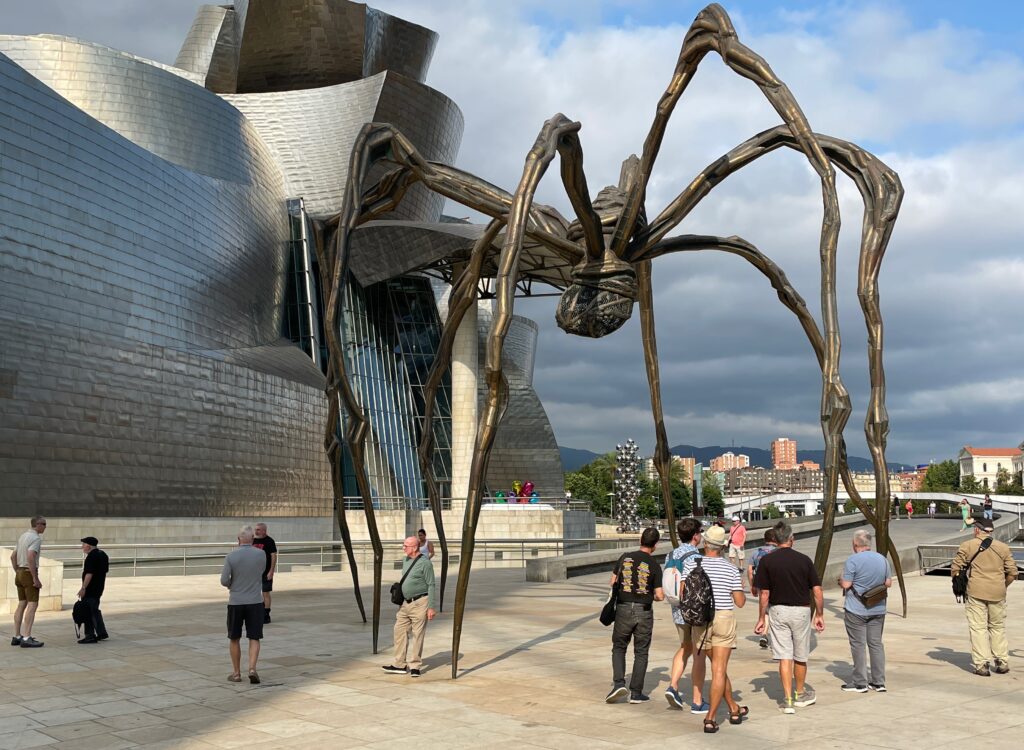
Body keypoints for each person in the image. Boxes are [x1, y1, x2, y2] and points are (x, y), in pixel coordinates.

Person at [680, 525, 748, 733]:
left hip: (701, 621)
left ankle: (734, 709)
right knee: (719, 669)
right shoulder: (730, 568)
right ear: (722, 546)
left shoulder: (691, 563)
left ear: (706, 543)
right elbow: (740, 602)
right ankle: (710, 718)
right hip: (723, 618)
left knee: (718, 668)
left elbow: (683, 592)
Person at [753, 520, 824, 714]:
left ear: (775, 540)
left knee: (784, 656)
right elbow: (817, 590)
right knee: (800, 655)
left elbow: (764, 594)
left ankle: (788, 699)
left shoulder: (767, 561)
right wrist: (819, 614)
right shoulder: (804, 560)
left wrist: (761, 617)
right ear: (791, 539)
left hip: (778, 611)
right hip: (801, 610)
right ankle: (800, 693)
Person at [951, 516, 1016, 676]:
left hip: (975, 591)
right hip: (998, 592)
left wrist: (962, 583)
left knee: (978, 627)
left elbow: (955, 569)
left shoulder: (967, 545)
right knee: (997, 627)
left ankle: (982, 665)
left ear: (976, 529)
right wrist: (1003, 585)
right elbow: (1013, 573)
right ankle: (1002, 661)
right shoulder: (1003, 547)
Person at [605, 527, 664, 704]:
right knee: (641, 651)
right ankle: (636, 693)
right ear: (655, 545)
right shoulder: (654, 565)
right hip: (644, 610)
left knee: (619, 647)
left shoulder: (625, 557)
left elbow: (613, 581)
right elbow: (659, 595)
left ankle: (618, 684)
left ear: (641, 540)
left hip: (623, 608)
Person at [663, 518, 708, 714]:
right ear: (696, 535)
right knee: (698, 650)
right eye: (700, 531)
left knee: (685, 647)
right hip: (694, 610)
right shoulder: (695, 556)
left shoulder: (671, 554)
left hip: (677, 609)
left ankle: (673, 685)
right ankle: (697, 699)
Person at [838, 529, 891, 692]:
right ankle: (878, 681)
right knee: (876, 644)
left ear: (855, 544)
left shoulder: (852, 560)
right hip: (878, 607)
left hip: (856, 608)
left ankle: (860, 682)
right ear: (869, 543)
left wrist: (841, 580)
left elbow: (846, 584)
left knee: (858, 644)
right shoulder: (882, 559)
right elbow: (888, 582)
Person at [382, 536, 437, 677]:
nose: (403, 547)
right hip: (405, 603)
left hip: (420, 603)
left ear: (414, 548)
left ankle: (415, 666)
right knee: (398, 630)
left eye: (406, 545)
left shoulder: (425, 563)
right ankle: (399, 664)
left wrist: (431, 607)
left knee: (418, 634)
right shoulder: (406, 560)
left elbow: (431, 585)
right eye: (404, 545)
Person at [220, 525, 266, 684]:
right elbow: (261, 572)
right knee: (254, 637)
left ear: (238, 539)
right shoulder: (261, 554)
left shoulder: (231, 556)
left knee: (234, 637)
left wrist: (233, 584)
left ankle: (236, 673)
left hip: (236, 602)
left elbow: (224, 580)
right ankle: (252, 669)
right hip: (255, 601)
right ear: (252, 539)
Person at [10, 516, 47, 648]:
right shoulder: (36, 538)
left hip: (19, 572)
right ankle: (27, 637)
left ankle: (17, 636)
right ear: (37, 525)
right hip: (28, 572)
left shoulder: (22, 536)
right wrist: (35, 578)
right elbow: (31, 556)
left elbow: (13, 556)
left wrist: (17, 571)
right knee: (32, 605)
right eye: (44, 524)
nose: (45, 527)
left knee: (21, 604)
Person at [747, 528, 778, 649]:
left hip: (762, 584)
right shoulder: (779, 552)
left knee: (764, 609)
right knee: (775, 609)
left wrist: (753, 585)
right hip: (777, 584)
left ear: (765, 540)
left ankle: (764, 633)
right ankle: (776, 636)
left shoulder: (756, 552)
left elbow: (750, 570)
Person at [76, 537, 109, 644]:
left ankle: (90, 635)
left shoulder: (91, 557)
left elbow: (89, 573)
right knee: (94, 610)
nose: (82, 547)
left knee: (88, 611)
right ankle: (101, 632)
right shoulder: (103, 554)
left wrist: (83, 588)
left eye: (83, 544)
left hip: (90, 589)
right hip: (99, 588)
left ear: (88, 546)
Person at [252, 523, 277, 624]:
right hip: (253, 572)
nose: (256, 531)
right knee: (253, 592)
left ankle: (266, 615)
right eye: (255, 529)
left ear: (264, 531)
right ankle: (256, 612)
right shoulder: (252, 540)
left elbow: (273, 556)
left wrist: (271, 571)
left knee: (265, 593)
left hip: (265, 572)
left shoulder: (269, 541)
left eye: (258, 530)